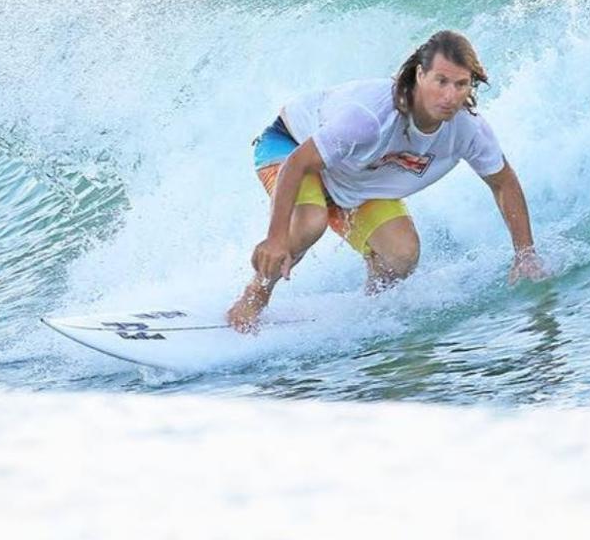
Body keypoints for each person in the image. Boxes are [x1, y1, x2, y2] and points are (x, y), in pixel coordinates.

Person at [227, 30, 547, 333]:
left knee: (402, 253)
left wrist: (525, 253)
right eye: (441, 81)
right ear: (420, 75)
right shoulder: (371, 118)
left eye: (461, 85)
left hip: (354, 178)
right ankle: (253, 299)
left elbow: (503, 183)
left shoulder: (469, 130)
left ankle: (370, 311)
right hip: (291, 145)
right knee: (310, 222)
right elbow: (296, 165)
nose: (450, 96)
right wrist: (275, 239)